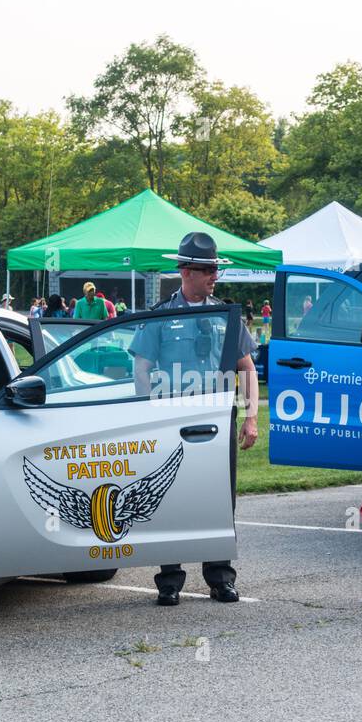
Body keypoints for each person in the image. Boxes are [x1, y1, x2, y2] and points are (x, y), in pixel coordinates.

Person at [129, 232, 260, 606]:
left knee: (219, 499)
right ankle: (169, 580)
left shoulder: (225, 315)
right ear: (186, 271)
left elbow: (246, 368)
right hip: (171, 420)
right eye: (208, 270)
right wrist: (146, 413)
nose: (214, 277)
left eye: (216, 270)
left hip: (216, 423)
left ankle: (220, 578)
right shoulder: (161, 315)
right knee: (167, 496)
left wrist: (251, 418)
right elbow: (142, 368)